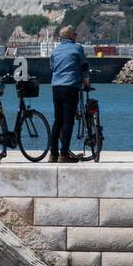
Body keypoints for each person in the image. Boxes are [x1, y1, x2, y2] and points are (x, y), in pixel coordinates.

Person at [49, 25, 90, 163]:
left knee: (57, 121)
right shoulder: (77, 48)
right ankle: (64, 154)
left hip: (56, 87)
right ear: (70, 36)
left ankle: (53, 154)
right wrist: (86, 83)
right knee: (68, 121)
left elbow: (52, 67)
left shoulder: (55, 51)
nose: (76, 35)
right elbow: (84, 67)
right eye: (75, 33)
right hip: (70, 86)